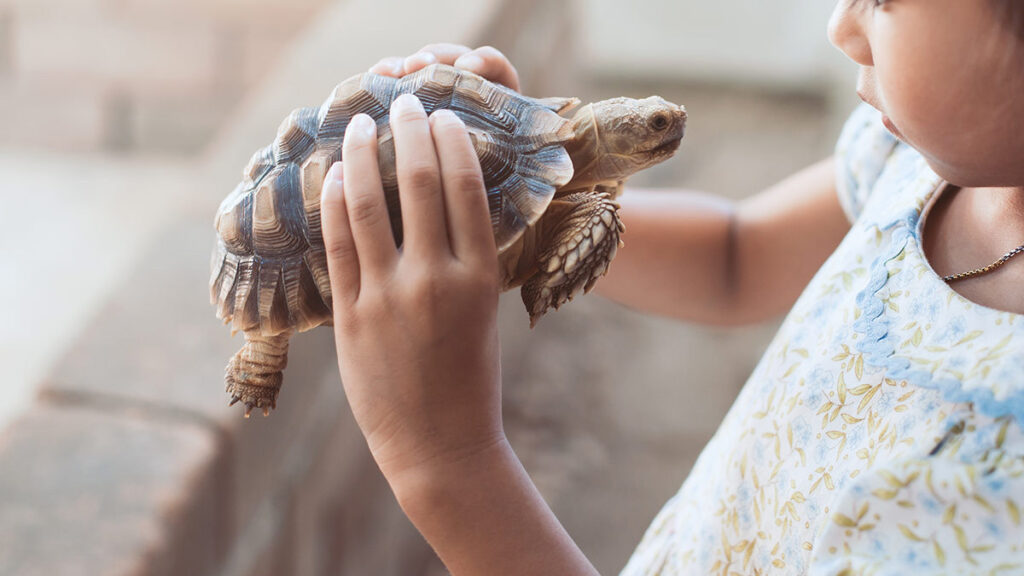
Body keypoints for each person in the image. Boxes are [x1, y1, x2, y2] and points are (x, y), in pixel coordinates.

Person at [318, 0, 1024, 573]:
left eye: (882, 1)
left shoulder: (996, 497)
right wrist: (522, 194)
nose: (840, 27)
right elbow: (736, 258)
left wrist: (446, 466)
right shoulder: (917, 162)